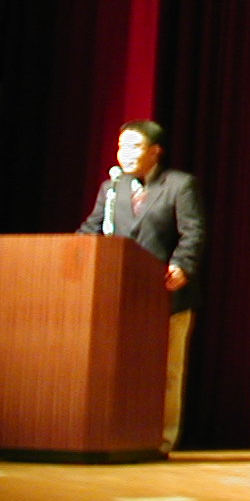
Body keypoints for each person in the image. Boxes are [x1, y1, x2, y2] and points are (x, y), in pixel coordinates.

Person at [78, 119, 204, 453]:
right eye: (121, 146)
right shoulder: (112, 188)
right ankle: (122, 435)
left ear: (155, 151)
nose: (125, 153)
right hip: (121, 295)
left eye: (134, 146)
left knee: (166, 372)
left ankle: (162, 439)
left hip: (167, 293)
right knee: (122, 368)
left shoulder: (179, 185)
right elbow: (91, 228)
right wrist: (69, 252)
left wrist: (182, 265)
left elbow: (192, 232)